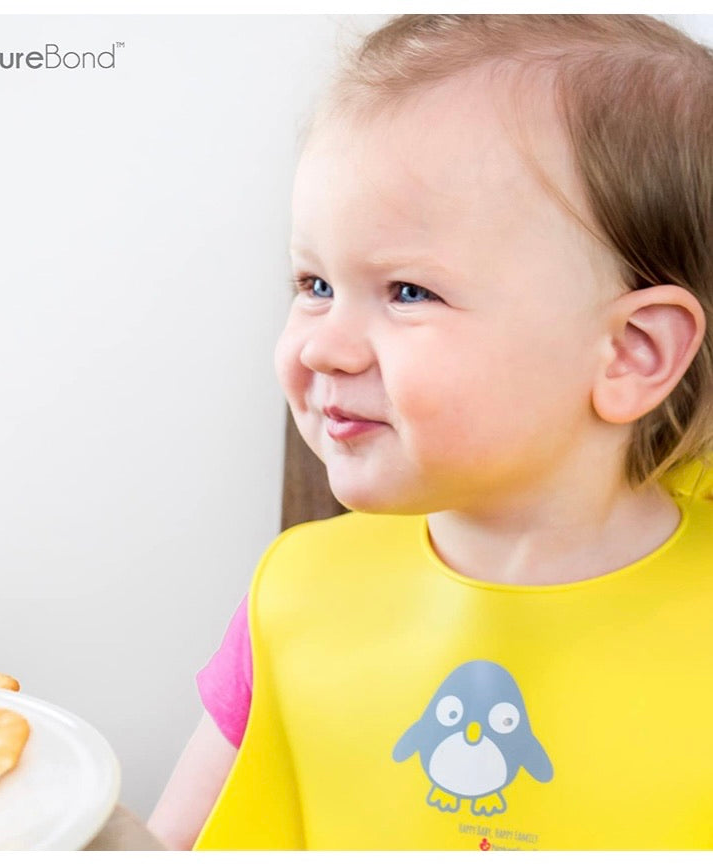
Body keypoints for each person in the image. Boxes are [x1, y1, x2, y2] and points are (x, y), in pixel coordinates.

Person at [148, 14, 713, 850]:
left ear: (632, 352)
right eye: (314, 284)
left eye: (409, 292)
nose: (324, 346)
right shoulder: (298, 599)